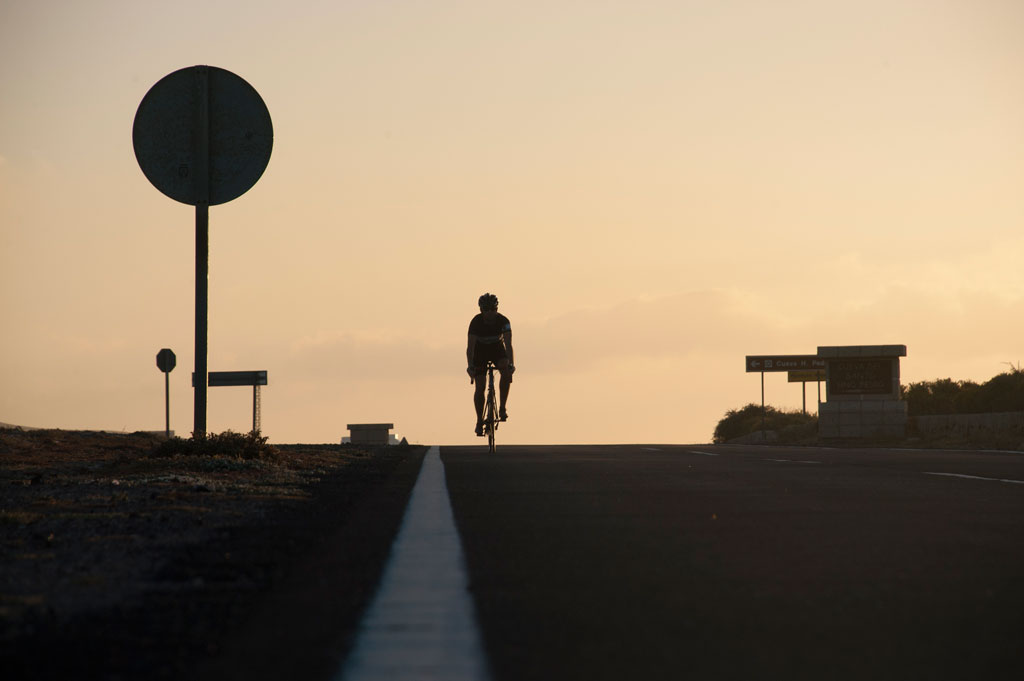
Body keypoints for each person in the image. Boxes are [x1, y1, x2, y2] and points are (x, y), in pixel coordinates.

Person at [467, 293, 515, 436]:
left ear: (496, 309)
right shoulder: (475, 322)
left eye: (492, 309)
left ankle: (502, 408)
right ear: (481, 310)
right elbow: (470, 348)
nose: (489, 313)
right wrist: (470, 366)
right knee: (480, 386)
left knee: (505, 370)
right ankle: (479, 421)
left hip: (497, 350)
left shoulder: (504, 321)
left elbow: (508, 345)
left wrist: (511, 364)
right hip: (480, 352)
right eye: (486, 310)